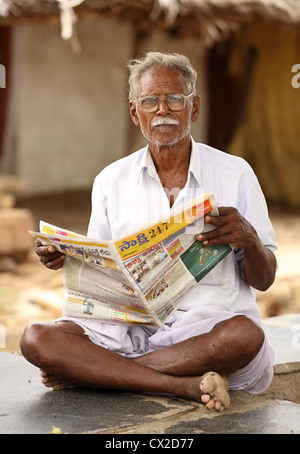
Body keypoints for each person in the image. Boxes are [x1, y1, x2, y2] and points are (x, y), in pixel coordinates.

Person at [20, 52, 277, 412]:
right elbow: (103, 272)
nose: (163, 110)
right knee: (35, 338)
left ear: (194, 108)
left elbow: (264, 280)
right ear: (134, 112)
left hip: (203, 335)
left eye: (175, 99)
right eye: (150, 101)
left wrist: (248, 239)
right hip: (127, 333)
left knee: (245, 335)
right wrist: (71, 258)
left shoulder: (236, 174)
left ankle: (97, 376)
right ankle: (183, 387)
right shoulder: (111, 181)